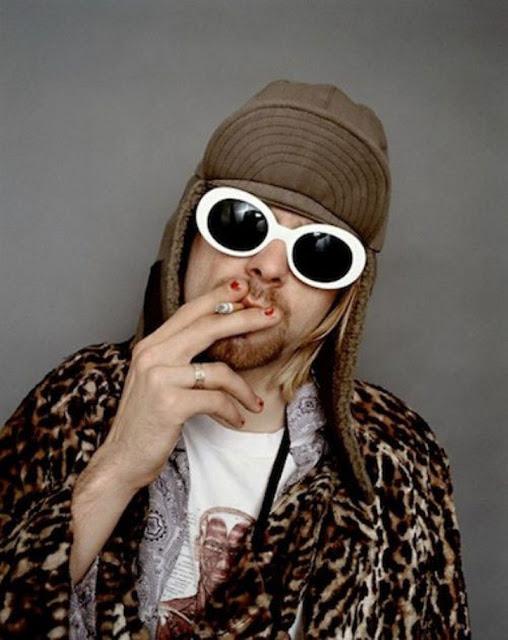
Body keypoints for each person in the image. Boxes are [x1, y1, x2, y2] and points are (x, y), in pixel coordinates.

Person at [0, 79, 472, 639]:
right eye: (242, 221)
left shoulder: (400, 460)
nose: (268, 268)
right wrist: (117, 466)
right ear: (189, 234)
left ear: (345, 296)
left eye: (319, 252)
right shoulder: (75, 401)